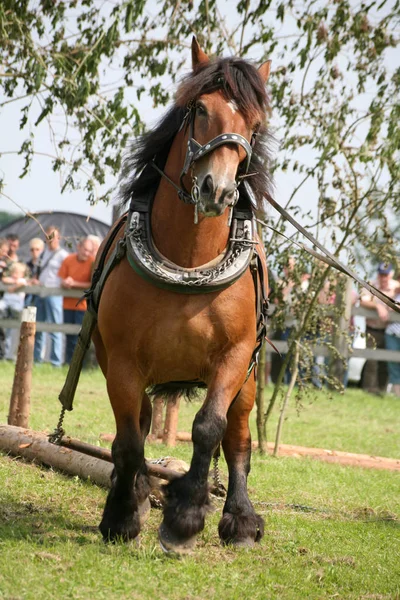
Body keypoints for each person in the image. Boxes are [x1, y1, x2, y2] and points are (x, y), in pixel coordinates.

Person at [360, 263, 398, 394]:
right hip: (372, 329)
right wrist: (377, 306)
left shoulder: (396, 287)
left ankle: (381, 390)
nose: (383, 278)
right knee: (371, 360)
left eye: (386, 275)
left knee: (385, 362)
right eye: (381, 275)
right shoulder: (371, 285)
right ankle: (369, 390)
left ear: (391, 274)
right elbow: (363, 301)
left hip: (388, 330)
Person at [33, 226, 69, 367]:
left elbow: (66, 275)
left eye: (53, 237)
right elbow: (39, 271)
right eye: (48, 237)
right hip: (41, 292)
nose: (51, 240)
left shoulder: (63, 255)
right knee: (39, 328)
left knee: (55, 328)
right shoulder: (43, 254)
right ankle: (37, 360)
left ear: (58, 238)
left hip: (55, 294)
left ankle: (55, 362)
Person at [58, 237, 94, 364]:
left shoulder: (92, 262)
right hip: (67, 304)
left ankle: (80, 364)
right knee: (68, 336)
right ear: (79, 247)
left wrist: (74, 283)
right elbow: (61, 279)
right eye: (85, 249)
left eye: (90, 251)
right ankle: (68, 363)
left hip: (83, 306)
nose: (87, 253)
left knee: (81, 337)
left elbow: (92, 284)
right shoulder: (68, 260)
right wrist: (66, 283)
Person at [2, 262, 28, 360]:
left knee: (14, 333)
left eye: (17, 272)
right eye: (14, 272)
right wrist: (13, 282)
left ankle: (11, 355)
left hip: (16, 309)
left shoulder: (22, 280)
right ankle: (6, 354)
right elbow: (4, 279)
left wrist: (13, 288)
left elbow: (21, 283)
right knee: (7, 332)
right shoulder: (10, 279)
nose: (15, 274)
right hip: (6, 307)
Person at [385, 289, 400, 397]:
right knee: (393, 365)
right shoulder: (397, 293)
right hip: (393, 334)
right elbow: (391, 307)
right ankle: (398, 394)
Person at [24, 237, 45, 307]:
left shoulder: (45, 266)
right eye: (32, 250)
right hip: (27, 297)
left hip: (41, 297)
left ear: (42, 250)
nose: (34, 252)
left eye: (37, 249)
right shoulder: (26, 266)